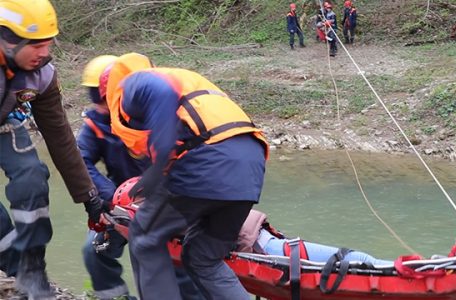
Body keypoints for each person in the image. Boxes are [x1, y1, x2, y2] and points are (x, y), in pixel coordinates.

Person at [100, 53, 269, 300]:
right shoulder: (182, 81)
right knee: (202, 257)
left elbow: (158, 92)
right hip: (249, 168)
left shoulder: (133, 84)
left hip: (209, 161)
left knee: (145, 236)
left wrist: (157, 169)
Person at [0, 1, 107, 299]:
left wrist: (89, 196)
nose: (45, 53)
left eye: (47, 44)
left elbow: (60, 137)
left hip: (4, 122)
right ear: (6, 39)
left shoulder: (42, 76)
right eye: (35, 45)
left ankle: (32, 270)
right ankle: (13, 268)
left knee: (32, 176)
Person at [79, 55, 203, 300]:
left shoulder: (158, 116)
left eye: (102, 95)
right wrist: (110, 198)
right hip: (121, 203)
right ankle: (117, 297)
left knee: (175, 261)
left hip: (165, 202)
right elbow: (80, 161)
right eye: (95, 96)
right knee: (93, 249)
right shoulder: (96, 125)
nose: (101, 104)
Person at [237, 210, 393, 266]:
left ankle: (411, 269)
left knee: (359, 260)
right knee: (359, 260)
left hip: (265, 241)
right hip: (267, 246)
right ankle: (411, 270)